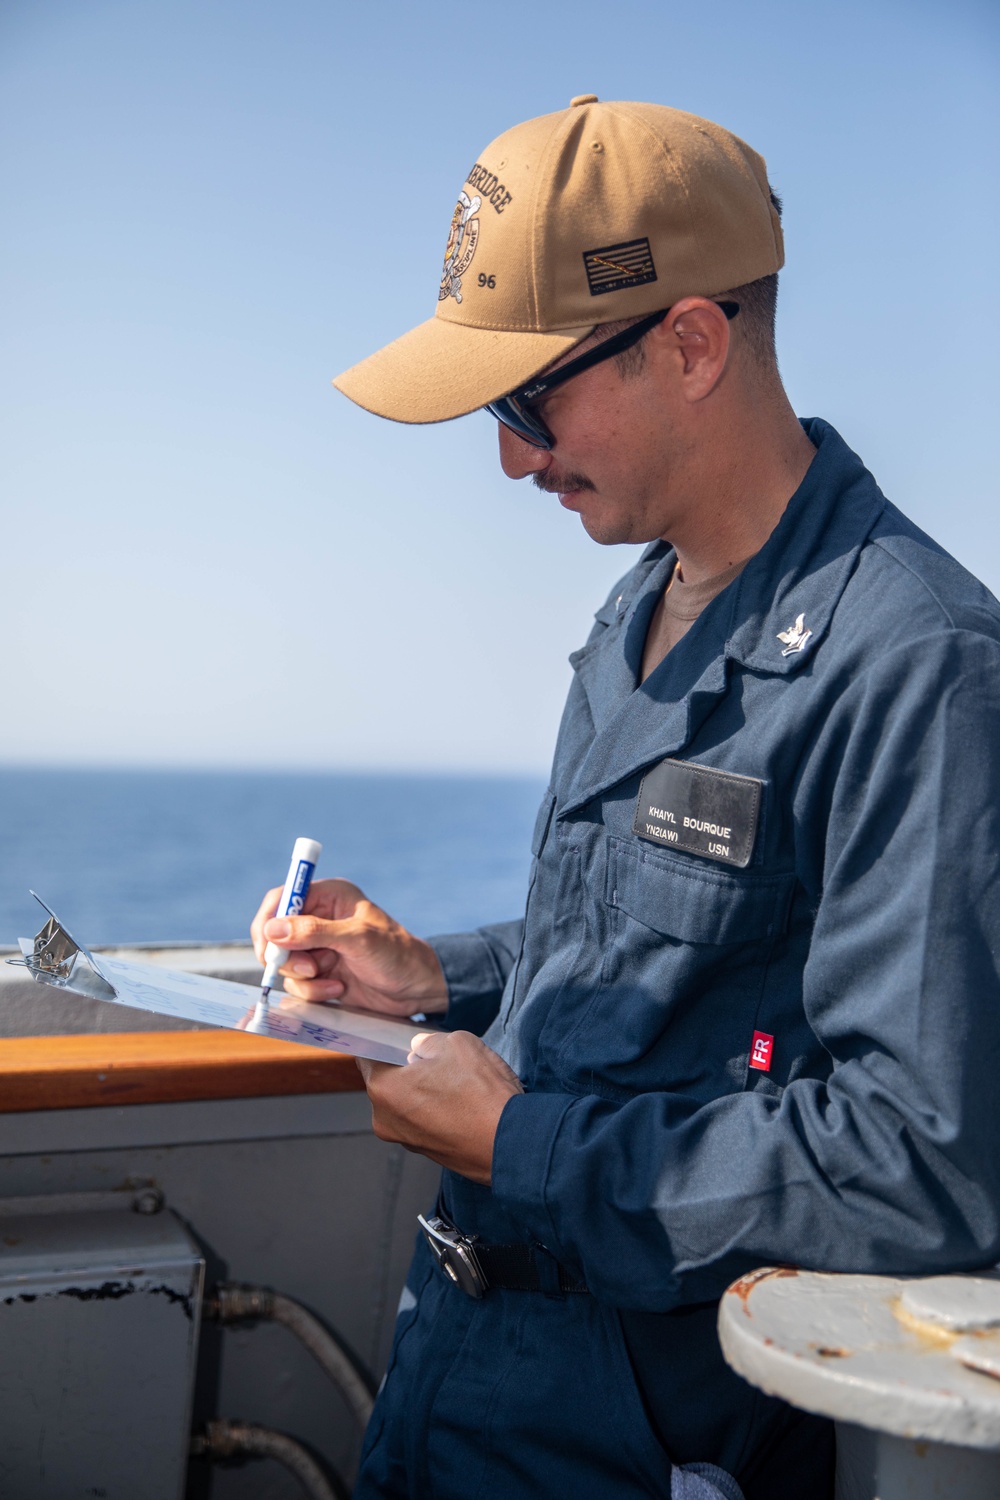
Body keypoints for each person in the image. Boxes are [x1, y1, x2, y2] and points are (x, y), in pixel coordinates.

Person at [251, 97, 1000, 1499]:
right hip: (469, 1363)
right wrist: (431, 978)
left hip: (641, 1429)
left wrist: (519, 1144)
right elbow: (635, 961)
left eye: (529, 403)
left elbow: (920, 1163)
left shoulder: (920, 665)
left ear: (694, 343)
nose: (511, 458)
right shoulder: (640, 608)